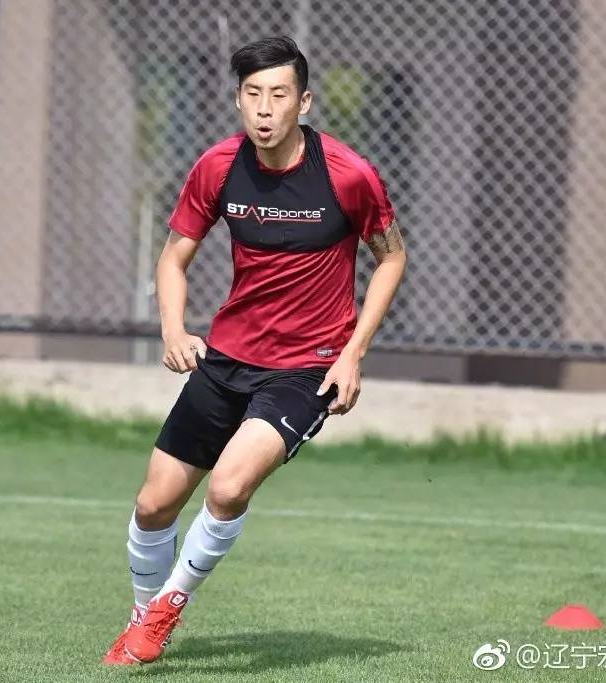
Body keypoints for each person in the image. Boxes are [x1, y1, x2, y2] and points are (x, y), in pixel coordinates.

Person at [103, 35, 407, 666]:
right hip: (227, 360)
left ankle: (166, 609)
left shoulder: (348, 174)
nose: (265, 109)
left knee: (229, 487)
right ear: (239, 99)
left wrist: (352, 353)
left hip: (305, 368)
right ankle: (140, 616)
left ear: (304, 101)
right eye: (253, 94)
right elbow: (173, 258)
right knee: (153, 504)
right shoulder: (218, 167)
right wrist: (173, 329)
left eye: (279, 95)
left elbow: (392, 258)